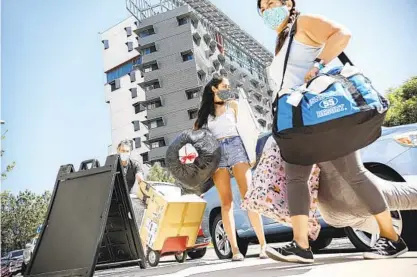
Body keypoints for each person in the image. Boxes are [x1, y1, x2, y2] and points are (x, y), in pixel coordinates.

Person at [257, 0, 408, 263]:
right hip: (300, 122)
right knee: (296, 179)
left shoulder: (303, 23)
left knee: (355, 175)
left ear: (289, 4)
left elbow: (342, 33)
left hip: (320, 116)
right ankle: (301, 245)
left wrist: (318, 64)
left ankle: (392, 238)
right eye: (263, 7)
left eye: (272, 2)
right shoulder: (283, 41)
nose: (268, 10)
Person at [194, 75, 267, 261]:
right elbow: (195, 136)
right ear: (214, 88)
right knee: (226, 203)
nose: (228, 88)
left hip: (236, 147)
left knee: (248, 197)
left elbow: (249, 129)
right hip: (217, 154)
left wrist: (251, 155)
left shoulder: (233, 105)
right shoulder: (205, 114)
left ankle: (263, 246)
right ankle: (235, 250)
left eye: (228, 85)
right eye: (224, 85)